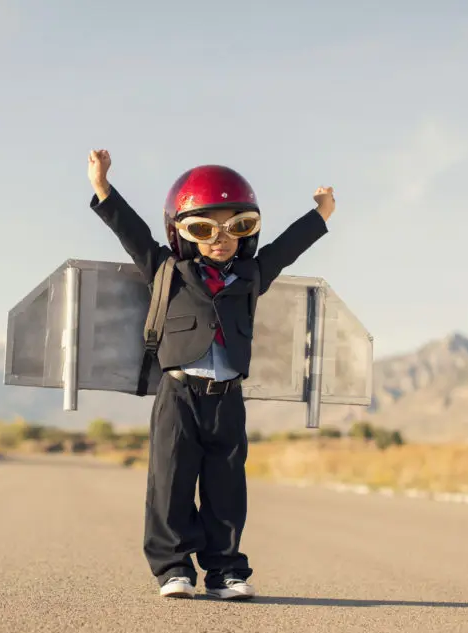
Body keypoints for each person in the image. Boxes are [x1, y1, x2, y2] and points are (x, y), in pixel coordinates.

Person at [87, 149, 334, 600]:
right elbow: (132, 233)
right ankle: (173, 568)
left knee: (226, 486)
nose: (220, 239)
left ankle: (225, 571)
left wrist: (320, 215)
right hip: (178, 392)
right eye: (204, 228)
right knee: (171, 481)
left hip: (227, 396)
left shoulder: (253, 274)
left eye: (236, 226)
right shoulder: (167, 269)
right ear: (182, 232)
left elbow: (288, 248)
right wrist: (103, 187)